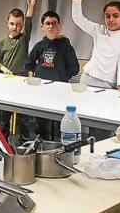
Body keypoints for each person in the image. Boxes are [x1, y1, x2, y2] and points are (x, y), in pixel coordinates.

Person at [71, 0, 120, 91]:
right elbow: (77, 19)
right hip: (88, 77)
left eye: (116, 16)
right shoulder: (98, 29)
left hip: (109, 82)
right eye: (107, 16)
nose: (111, 19)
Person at [24, 10, 79, 138]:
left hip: (60, 91)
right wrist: (32, 76)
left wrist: (62, 78)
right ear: (42, 27)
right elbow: (29, 63)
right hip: (41, 90)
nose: (51, 26)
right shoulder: (39, 46)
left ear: (59, 26)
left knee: (58, 123)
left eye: (54, 23)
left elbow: (74, 68)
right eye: (47, 23)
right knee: (41, 124)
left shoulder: (65, 46)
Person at [0, 0, 36, 75]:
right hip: (5, 77)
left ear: (22, 25)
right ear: (7, 24)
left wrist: (30, 8)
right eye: (12, 24)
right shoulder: (1, 43)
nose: (15, 27)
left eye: (18, 24)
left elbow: (28, 24)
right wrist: (2, 68)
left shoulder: (24, 39)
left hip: (21, 77)